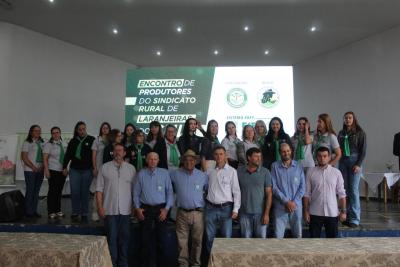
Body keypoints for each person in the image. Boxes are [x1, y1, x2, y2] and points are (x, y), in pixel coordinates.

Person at [96, 143, 136, 267]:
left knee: (124, 241)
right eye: (116, 150)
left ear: (124, 153)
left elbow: (135, 191)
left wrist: (134, 207)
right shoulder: (104, 168)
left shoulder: (131, 169)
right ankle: (111, 264)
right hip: (109, 210)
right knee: (111, 240)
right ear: (112, 153)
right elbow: (99, 190)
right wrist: (100, 207)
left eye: (120, 150)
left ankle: (123, 264)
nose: (118, 152)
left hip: (126, 211)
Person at [134, 152, 174, 267]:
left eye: (155, 159)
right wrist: (137, 208)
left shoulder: (165, 173)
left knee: (161, 241)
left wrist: (166, 210)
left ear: (158, 160)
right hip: (145, 210)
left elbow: (170, 193)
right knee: (144, 241)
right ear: (146, 160)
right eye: (150, 159)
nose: (152, 161)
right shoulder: (141, 174)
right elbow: (136, 193)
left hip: (161, 210)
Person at [170, 150, 208, 267]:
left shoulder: (203, 176)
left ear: (195, 161)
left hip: (198, 213)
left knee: (197, 242)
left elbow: (207, 191)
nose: (189, 162)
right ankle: (183, 264)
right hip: (181, 213)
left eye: (191, 160)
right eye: (186, 160)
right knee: (182, 243)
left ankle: (196, 264)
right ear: (182, 161)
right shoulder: (174, 174)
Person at [303, 146, 347, 238]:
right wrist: (306, 211)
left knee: (332, 243)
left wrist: (343, 211)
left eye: (325, 156)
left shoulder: (336, 173)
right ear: (316, 157)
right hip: (315, 212)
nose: (322, 158)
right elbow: (306, 193)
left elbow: (341, 194)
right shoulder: (310, 172)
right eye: (319, 156)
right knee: (314, 242)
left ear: (329, 157)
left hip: (332, 213)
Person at [204, 146, 241, 253]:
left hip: (226, 209)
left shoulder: (232, 171)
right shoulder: (209, 171)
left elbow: (236, 192)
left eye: (221, 154)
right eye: (216, 154)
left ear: (225, 156)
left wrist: (236, 209)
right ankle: (212, 262)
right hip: (210, 208)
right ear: (213, 156)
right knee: (210, 238)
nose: (219, 156)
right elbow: (205, 187)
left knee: (226, 238)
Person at [338, 111, 367, 228]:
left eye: (350, 118)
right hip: (343, 162)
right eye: (346, 118)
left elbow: (363, 151)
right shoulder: (341, 133)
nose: (348, 120)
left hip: (355, 161)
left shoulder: (360, 133)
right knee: (345, 190)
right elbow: (338, 148)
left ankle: (355, 218)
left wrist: (358, 164)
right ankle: (347, 216)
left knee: (353, 190)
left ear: (354, 119)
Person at [271, 143, 305, 238]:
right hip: (280, 206)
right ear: (280, 153)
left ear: (291, 151)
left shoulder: (298, 166)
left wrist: (293, 202)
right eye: (283, 151)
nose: (286, 153)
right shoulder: (274, 166)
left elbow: (302, 187)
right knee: (278, 236)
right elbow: (274, 187)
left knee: (298, 235)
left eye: (288, 151)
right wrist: (286, 201)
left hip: (296, 206)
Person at [63, 121, 95, 222]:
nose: (82, 131)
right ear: (77, 130)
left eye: (83, 129)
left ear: (86, 129)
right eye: (80, 129)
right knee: (75, 192)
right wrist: (64, 167)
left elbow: (95, 155)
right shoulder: (73, 141)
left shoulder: (91, 140)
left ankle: (84, 212)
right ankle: (75, 211)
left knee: (85, 192)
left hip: (87, 170)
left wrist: (95, 168)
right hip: (75, 170)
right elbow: (68, 155)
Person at [237, 147, 272, 238]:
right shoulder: (239, 172)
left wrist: (267, 214)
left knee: (261, 243)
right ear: (249, 158)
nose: (259, 159)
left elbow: (269, 194)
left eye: (260, 156)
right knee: (246, 243)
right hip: (244, 213)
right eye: (256, 156)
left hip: (260, 213)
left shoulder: (265, 172)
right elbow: (235, 192)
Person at [43, 126, 67, 219]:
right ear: (51, 135)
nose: (55, 134)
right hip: (53, 170)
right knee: (52, 191)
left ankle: (58, 210)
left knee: (59, 191)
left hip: (62, 171)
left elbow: (66, 157)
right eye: (53, 133)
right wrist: (47, 171)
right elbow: (45, 159)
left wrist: (66, 168)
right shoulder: (48, 145)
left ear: (60, 133)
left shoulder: (64, 143)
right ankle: (51, 211)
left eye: (57, 132)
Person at [21, 125, 44, 218]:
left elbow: (45, 156)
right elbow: (24, 157)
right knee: (30, 191)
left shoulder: (42, 142)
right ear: (31, 132)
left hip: (40, 170)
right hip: (30, 170)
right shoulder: (27, 142)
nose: (38, 132)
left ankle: (34, 210)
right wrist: (33, 167)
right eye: (35, 131)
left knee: (36, 191)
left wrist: (42, 167)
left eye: (39, 131)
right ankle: (27, 211)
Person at [91, 122, 111, 221]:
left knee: (108, 191)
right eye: (103, 128)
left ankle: (105, 211)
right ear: (101, 129)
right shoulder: (97, 140)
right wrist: (94, 167)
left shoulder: (111, 141)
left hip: (110, 169)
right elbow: (94, 155)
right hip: (99, 168)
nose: (105, 129)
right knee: (98, 190)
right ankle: (95, 211)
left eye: (107, 128)